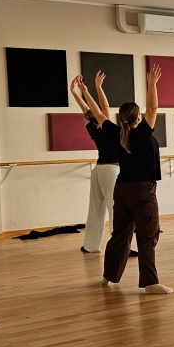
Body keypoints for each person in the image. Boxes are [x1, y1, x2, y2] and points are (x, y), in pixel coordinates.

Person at [92, 65, 172, 294]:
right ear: (138, 117)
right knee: (148, 236)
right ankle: (150, 283)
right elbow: (153, 107)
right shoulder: (141, 134)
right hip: (142, 190)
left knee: (120, 235)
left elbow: (99, 113)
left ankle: (109, 277)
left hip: (122, 189)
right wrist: (152, 84)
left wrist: (96, 88)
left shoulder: (116, 133)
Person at [70, 73, 120, 254]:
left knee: (95, 210)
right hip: (111, 171)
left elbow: (85, 109)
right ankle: (119, 246)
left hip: (98, 171)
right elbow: (103, 107)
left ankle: (90, 246)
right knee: (115, 209)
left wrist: (74, 91)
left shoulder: (92, 128)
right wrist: (96, 87)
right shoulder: (110, 128)